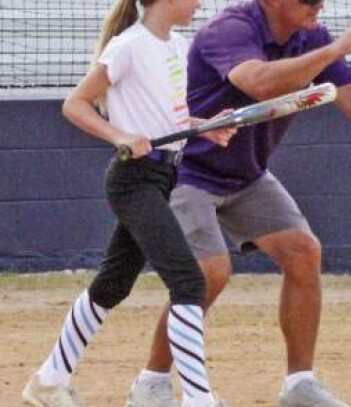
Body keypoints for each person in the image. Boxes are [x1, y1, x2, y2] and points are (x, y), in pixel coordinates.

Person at [127, 0, 351, 406]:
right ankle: (152, 383)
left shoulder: (312, 37)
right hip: (188, 170)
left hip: (246, 175)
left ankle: (299, 385)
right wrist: (332, 51)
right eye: (308, 0)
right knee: (207, 274)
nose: (319, 4)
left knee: (303, 251)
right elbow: (259, 83)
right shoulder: (231, 28)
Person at [21, 1, 236, 407]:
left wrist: (202, 128)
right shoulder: (127, 46)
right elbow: (75, 104)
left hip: (164, 175)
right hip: (133, 180)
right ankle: (198, 399)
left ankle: (48, 382)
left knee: (113, 284)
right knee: (189, 282)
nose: (201, 3)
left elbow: (168, 120)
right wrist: (119, 135)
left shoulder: (177, 44)